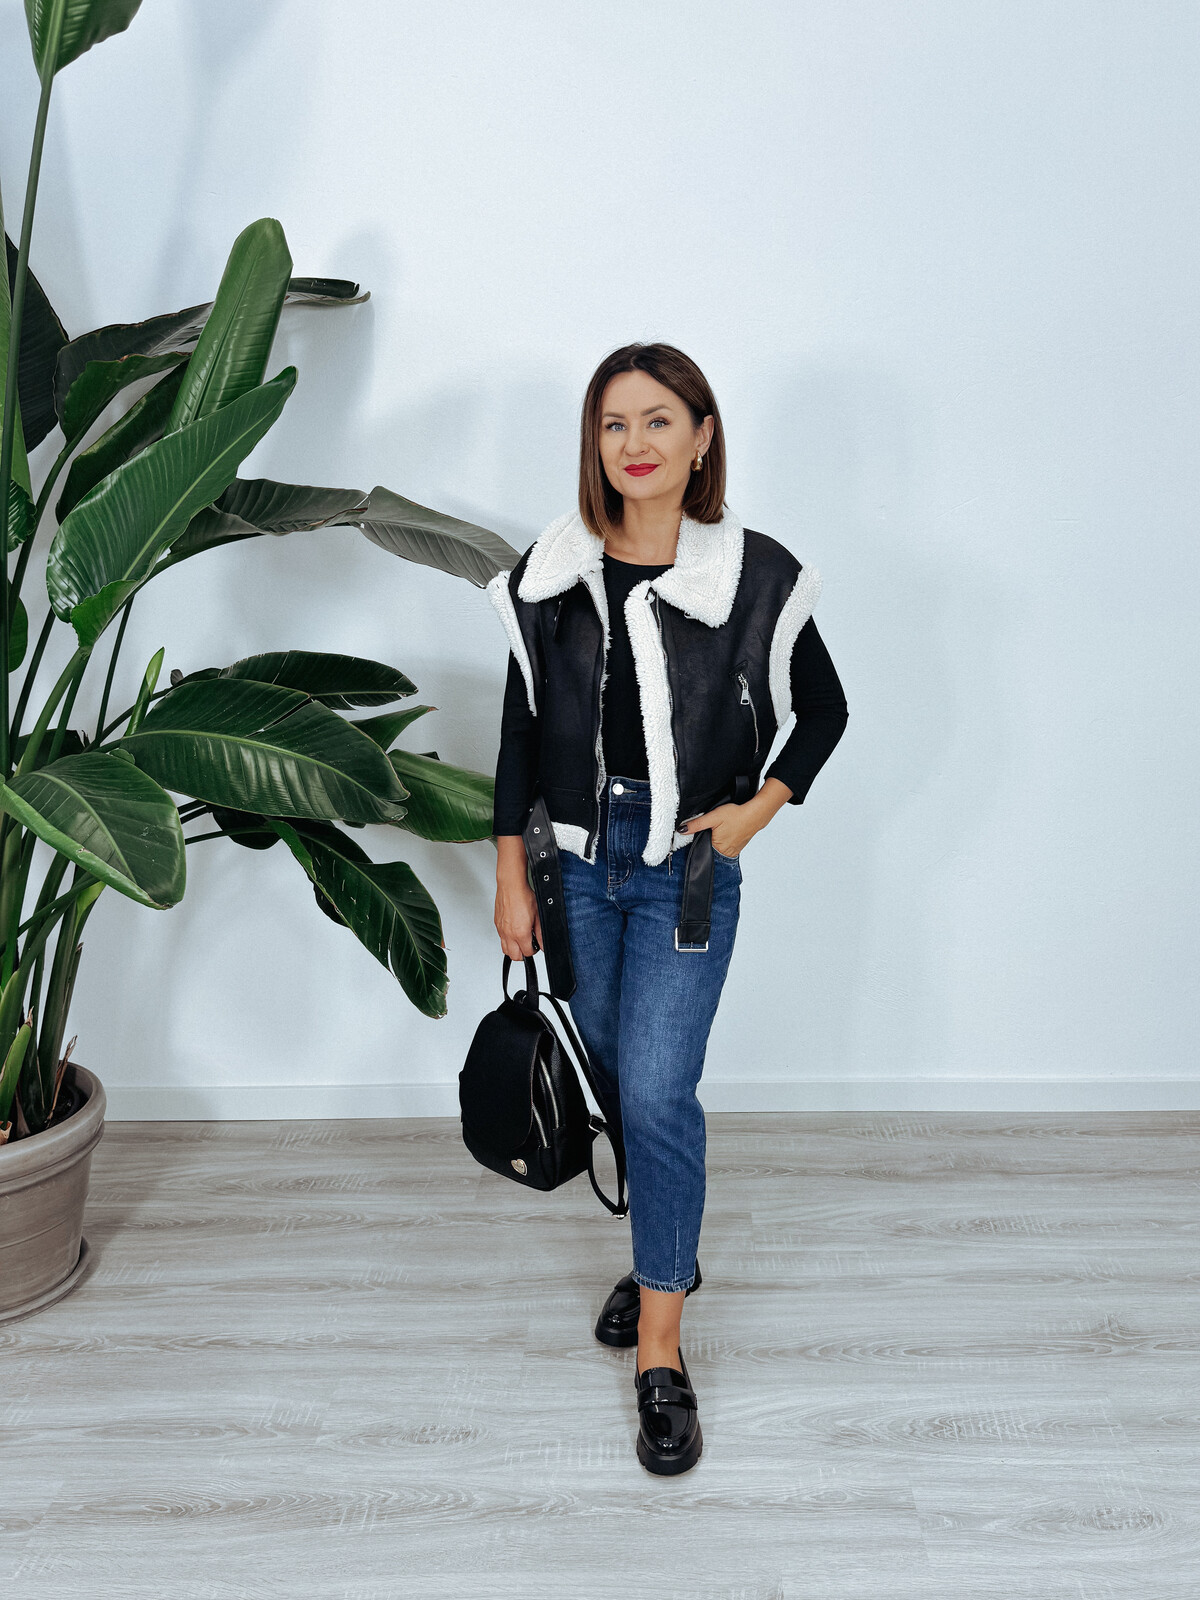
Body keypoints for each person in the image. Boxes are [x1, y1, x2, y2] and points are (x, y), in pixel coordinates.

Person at [486, 341, 848, 1474]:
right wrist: (510, 873)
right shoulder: (553, 570)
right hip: (574, 863)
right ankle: (660, 1257)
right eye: (613, 424)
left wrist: (754, 814)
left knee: (656, 1091)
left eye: (657, 420)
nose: (633, 443)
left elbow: (826, 709)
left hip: (684, 865)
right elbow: (516, 732)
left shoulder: (752, 575)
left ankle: (660, 1348)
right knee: (615, 1079)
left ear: (701, 437)